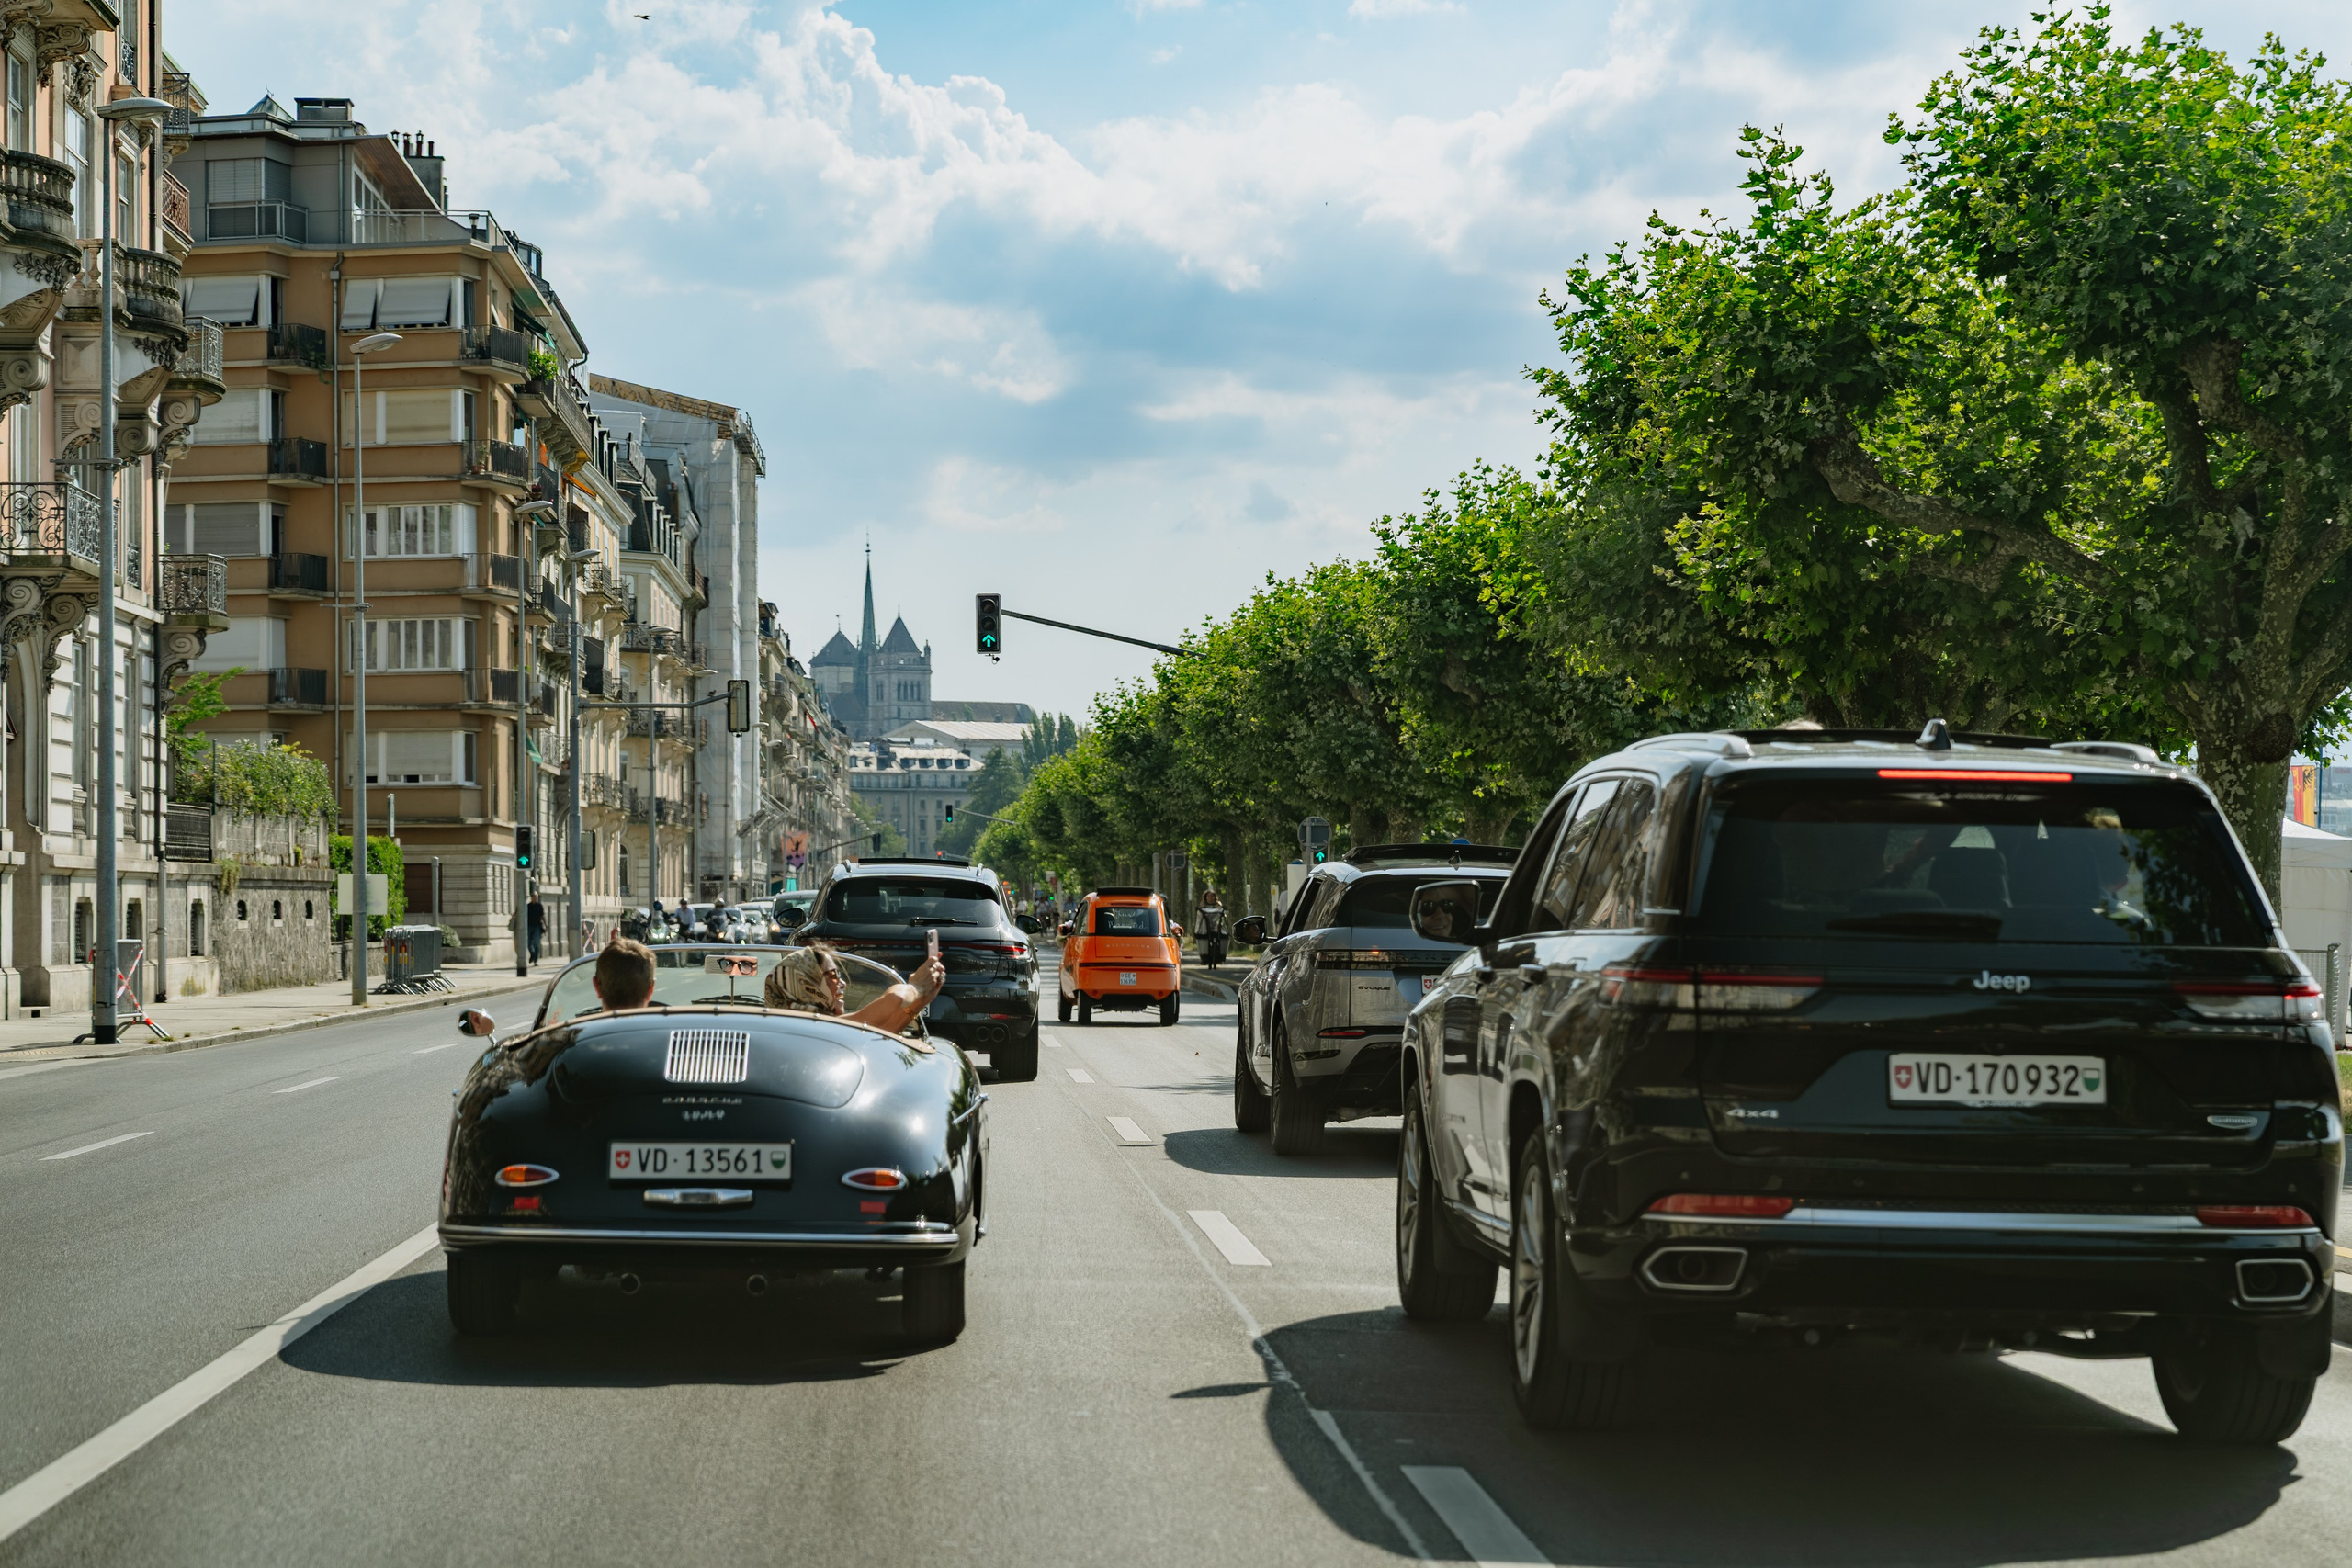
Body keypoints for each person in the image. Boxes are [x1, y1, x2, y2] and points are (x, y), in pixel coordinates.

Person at [764, 938, 945, 1034]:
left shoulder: (799, 1026)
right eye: (832, 976)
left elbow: (883, 1034)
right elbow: (895, 999)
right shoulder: (810, 1028)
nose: (842, 983)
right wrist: (916, 987)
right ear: (807, 985)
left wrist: (922, 1000)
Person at [526, 895, 545, 964]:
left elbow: (542, 916)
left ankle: (536, 960)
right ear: (531, 898)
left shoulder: (539, 906)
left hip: (537, 926)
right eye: (533, 897)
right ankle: (532, 954)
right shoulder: (528, 906)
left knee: (536, 943)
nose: (534, 898)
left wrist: (545, 925)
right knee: (528, 943)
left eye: (536, 897)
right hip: (529, 926)